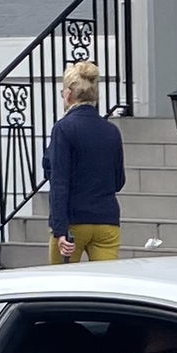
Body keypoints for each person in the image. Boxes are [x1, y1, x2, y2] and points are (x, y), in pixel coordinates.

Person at [45, 59, 125, 263]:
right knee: (106, 288)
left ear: (68, 95)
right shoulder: (111, 131)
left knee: (63, 289)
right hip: (107, 221)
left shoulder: (63, 128)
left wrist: (59, 228)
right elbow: (119, 181)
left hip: (73, 222)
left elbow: (59, 181)